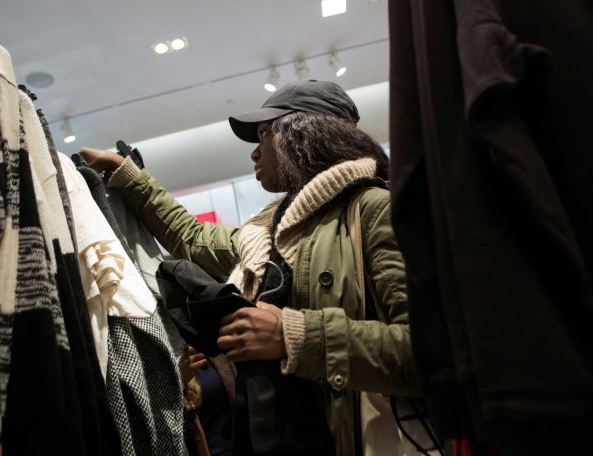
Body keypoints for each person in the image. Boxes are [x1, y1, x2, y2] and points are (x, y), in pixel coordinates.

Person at [80, 79, 419, 456]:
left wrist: (295, 337)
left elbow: (428, 353)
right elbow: (192, 237)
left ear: (302, 136)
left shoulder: (374, 210)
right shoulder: (269, 231)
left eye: (263, 136)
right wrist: (125, 174)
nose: (255, 154)